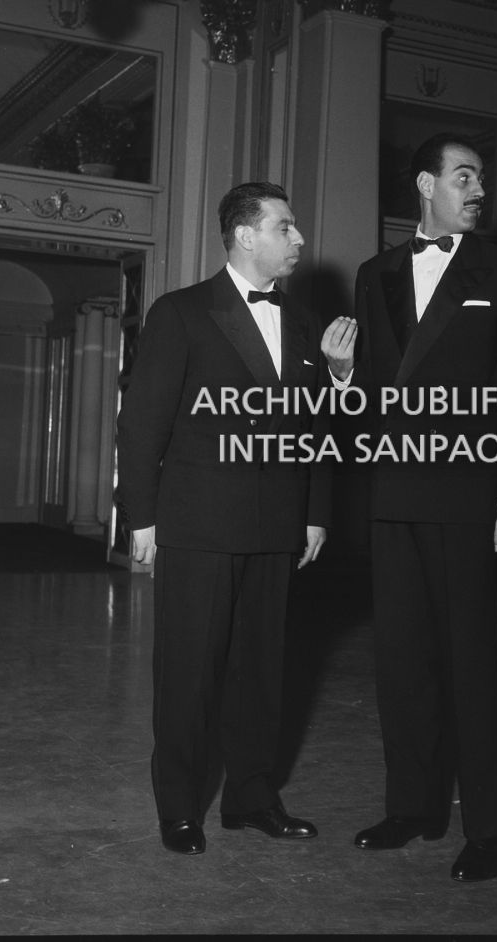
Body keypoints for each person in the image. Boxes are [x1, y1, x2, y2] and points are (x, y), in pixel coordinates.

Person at [322, 133, 497, 882]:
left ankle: (488, 828)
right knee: (402, 662)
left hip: (470, 495)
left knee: (474, 668)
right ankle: (412, 806)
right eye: (463, 177)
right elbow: (366, 406)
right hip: (394, 494)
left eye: (481, 177)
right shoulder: (375, 273)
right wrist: (344, 375)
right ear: (426, 184)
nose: (478, 190)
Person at [116, 182, 331, 856]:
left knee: (261, 674)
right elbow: (143, 421)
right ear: (245, 235)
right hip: (198, 525)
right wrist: (141, 519)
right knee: (189, 672)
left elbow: (316, 422)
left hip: (275, 528)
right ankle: (178, 807)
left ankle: (251, 798)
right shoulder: (181, 313)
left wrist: (316, 511)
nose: (298, 239)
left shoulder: (301, 322)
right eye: (285, 227)